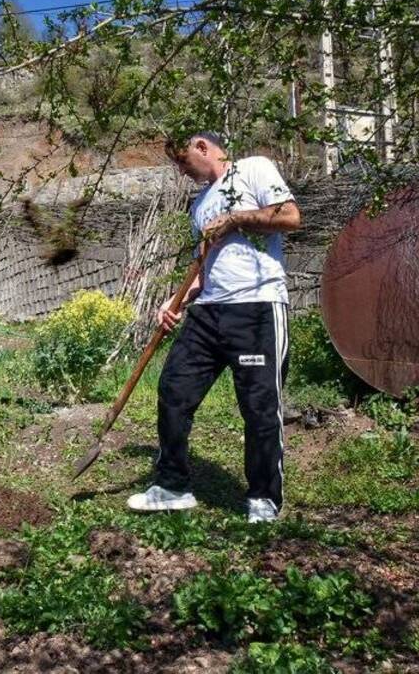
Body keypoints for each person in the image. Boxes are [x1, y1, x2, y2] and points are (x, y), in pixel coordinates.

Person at [128, 131, 301, 523]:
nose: (182, 171)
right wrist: (175, 301)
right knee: (174, 389)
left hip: (256, 308)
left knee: (259, 407)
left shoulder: (253, 169)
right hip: (207, 313)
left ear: (202, 147)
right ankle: (173, 485)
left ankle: (263, 498)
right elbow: (202, 268)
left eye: (183, 161)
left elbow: (291, 216)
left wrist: (236, 219)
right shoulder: (201, 204)